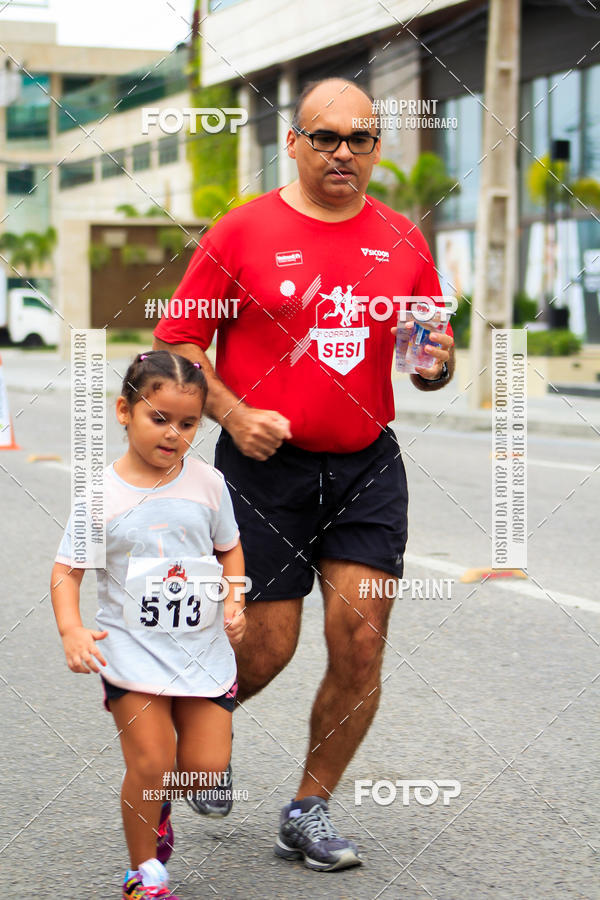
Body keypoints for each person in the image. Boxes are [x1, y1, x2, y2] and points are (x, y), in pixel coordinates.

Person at [153, 77, 455, 872]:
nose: (343, 153)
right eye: (326, 137)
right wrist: (234, 415)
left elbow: (427, 360)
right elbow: (178, 345)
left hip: (365, 464)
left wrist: (434, 365)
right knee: (265, 649)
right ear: (294, 142)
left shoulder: (404, 240)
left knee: (360, 643)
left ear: (377, 149)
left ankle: (308, 810)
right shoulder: (243, 232)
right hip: (264, 470)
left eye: (360, 138)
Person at [50, 351, 246, 899]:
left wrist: (235, 601)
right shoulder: (102, 496)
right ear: (124, 411)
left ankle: (160, 805)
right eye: (158, 418)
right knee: (152, 764)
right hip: (131, 653)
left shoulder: (209, 484)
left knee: (204, 771)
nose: (173, 434)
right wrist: (72, 628)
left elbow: (230, 549)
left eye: (188, 424)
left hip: (202, 653)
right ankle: (145, 874)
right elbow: (66, 571)